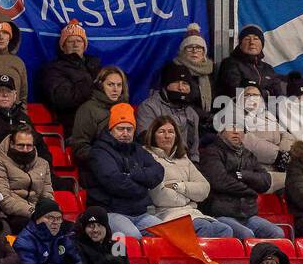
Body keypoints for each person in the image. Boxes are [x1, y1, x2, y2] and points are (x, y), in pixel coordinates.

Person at [83, 103, 164, 239]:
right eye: (120, 129)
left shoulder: (138, 149)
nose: (125, 133)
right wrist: (144, 188)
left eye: (129, 129)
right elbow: (115, 182)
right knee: (133, 237)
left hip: (140, 213)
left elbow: (158, 171)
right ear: (111, 130)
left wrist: (134, 175)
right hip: (110, 212)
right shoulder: (99, 152)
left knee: (168, 234)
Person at [143, 116, 233, 237]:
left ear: (176, 136)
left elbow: (204, 189)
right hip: (164, 214)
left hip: (191, 212)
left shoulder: (183, 158)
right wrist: (190, 194)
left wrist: (179, 186)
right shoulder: (146, 156)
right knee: (204, 227)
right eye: (161, 132)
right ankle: (197, 257)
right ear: (153, 135)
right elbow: (160, 197)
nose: (167, 136)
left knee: (225, 230)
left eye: (171, 132)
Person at [195, 125, 284, 240]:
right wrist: (250, 190)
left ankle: (267, 258)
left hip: (248, 215)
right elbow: (220, 182)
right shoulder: (211, 153)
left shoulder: (248, 154)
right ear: (221, 132)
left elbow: (266, 181)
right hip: (221, 214)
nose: (236, 132)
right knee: (247, 235)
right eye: (231, 128)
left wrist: (243, 175)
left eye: (240, 129)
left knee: (277, 233)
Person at [0, 127, 54, 235]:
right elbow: (4, 199)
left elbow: (47, 194)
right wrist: (32, 211)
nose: (25, 149)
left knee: (68, 228)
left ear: (34, 146)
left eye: (29, 146)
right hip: (10, 215)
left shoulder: (43, 164)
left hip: (39, 213)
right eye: (20, 145)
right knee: (33, 228)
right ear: (12, 144)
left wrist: (49, 211)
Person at [38, 18, 99, 131]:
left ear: (84, 45)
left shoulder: (95, 65)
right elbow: (63, 99)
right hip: (74, 125)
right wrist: (92, 86)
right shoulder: (54, 69)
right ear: (63, 46)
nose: (76, 44)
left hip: (100, 121)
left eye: (79, 41)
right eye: (71, 41)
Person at [235, 85, 295, 193]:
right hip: (258, 169)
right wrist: (278, 155)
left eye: (256, 95)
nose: (252, 98)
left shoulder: (268, 116)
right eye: (247, 95)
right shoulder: (236, 117)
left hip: (280, 166)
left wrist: (284, 154)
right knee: (297, 181)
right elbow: (246, 140)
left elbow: (286, 135)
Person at [135, 62, 201, 159]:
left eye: (185, 83)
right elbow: (145, 141)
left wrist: (193, 165)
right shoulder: (149, 107)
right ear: (166, 85)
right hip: (157, 160)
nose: (181, 87)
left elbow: (194, 151)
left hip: (185, 163)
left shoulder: (192, 114)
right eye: (176, 82)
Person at [69, 66, 128, 168]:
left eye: (119, 85)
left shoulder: (126, 108)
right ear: (101, 85)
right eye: (110, 85)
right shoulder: (88, 109)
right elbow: (80, 146)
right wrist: (103, 157)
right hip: (97, 165)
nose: (115, 89)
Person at [0, 73, 43, 160]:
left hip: (27, 163)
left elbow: (39, 144)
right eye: (0, 90)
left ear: (15, 95)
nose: (5, 95)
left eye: (8, 91)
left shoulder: (23, 117)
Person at [216, 24, 283, 100]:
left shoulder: (268, 68)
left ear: (262, 45)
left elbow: (279, 95)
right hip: (236, 109)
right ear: (240, 45)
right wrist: (267, 93)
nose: (252, 42)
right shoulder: (229, 64)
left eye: (256, 39)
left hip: (265, 110)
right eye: (247, 39)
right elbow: (238, 93)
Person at [173, 24, 215, 136]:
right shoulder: (174, 69)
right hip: (186, 124)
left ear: (204, 51)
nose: (194, 51)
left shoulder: (211, 70)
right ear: (183, 51)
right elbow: (180, 101)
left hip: (211, 125)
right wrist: (208, 117)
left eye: (198, 47)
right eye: (189, 47)